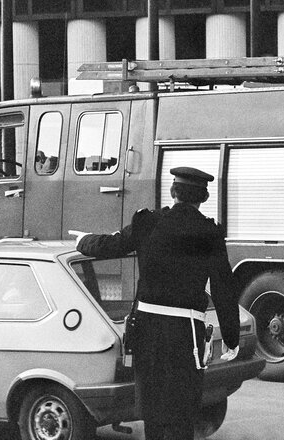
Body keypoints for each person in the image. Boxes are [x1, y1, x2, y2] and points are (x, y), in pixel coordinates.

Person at [69, 167, 240, 440]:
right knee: (182, 412)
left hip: (148, 333)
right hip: (187, 337)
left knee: (154, 413)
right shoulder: (210, 233)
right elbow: (224, 288)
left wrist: (82, 241)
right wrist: (231, 337)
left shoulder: (148, 223)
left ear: (173, 192)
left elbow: (110, 245)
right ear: (203, 198)